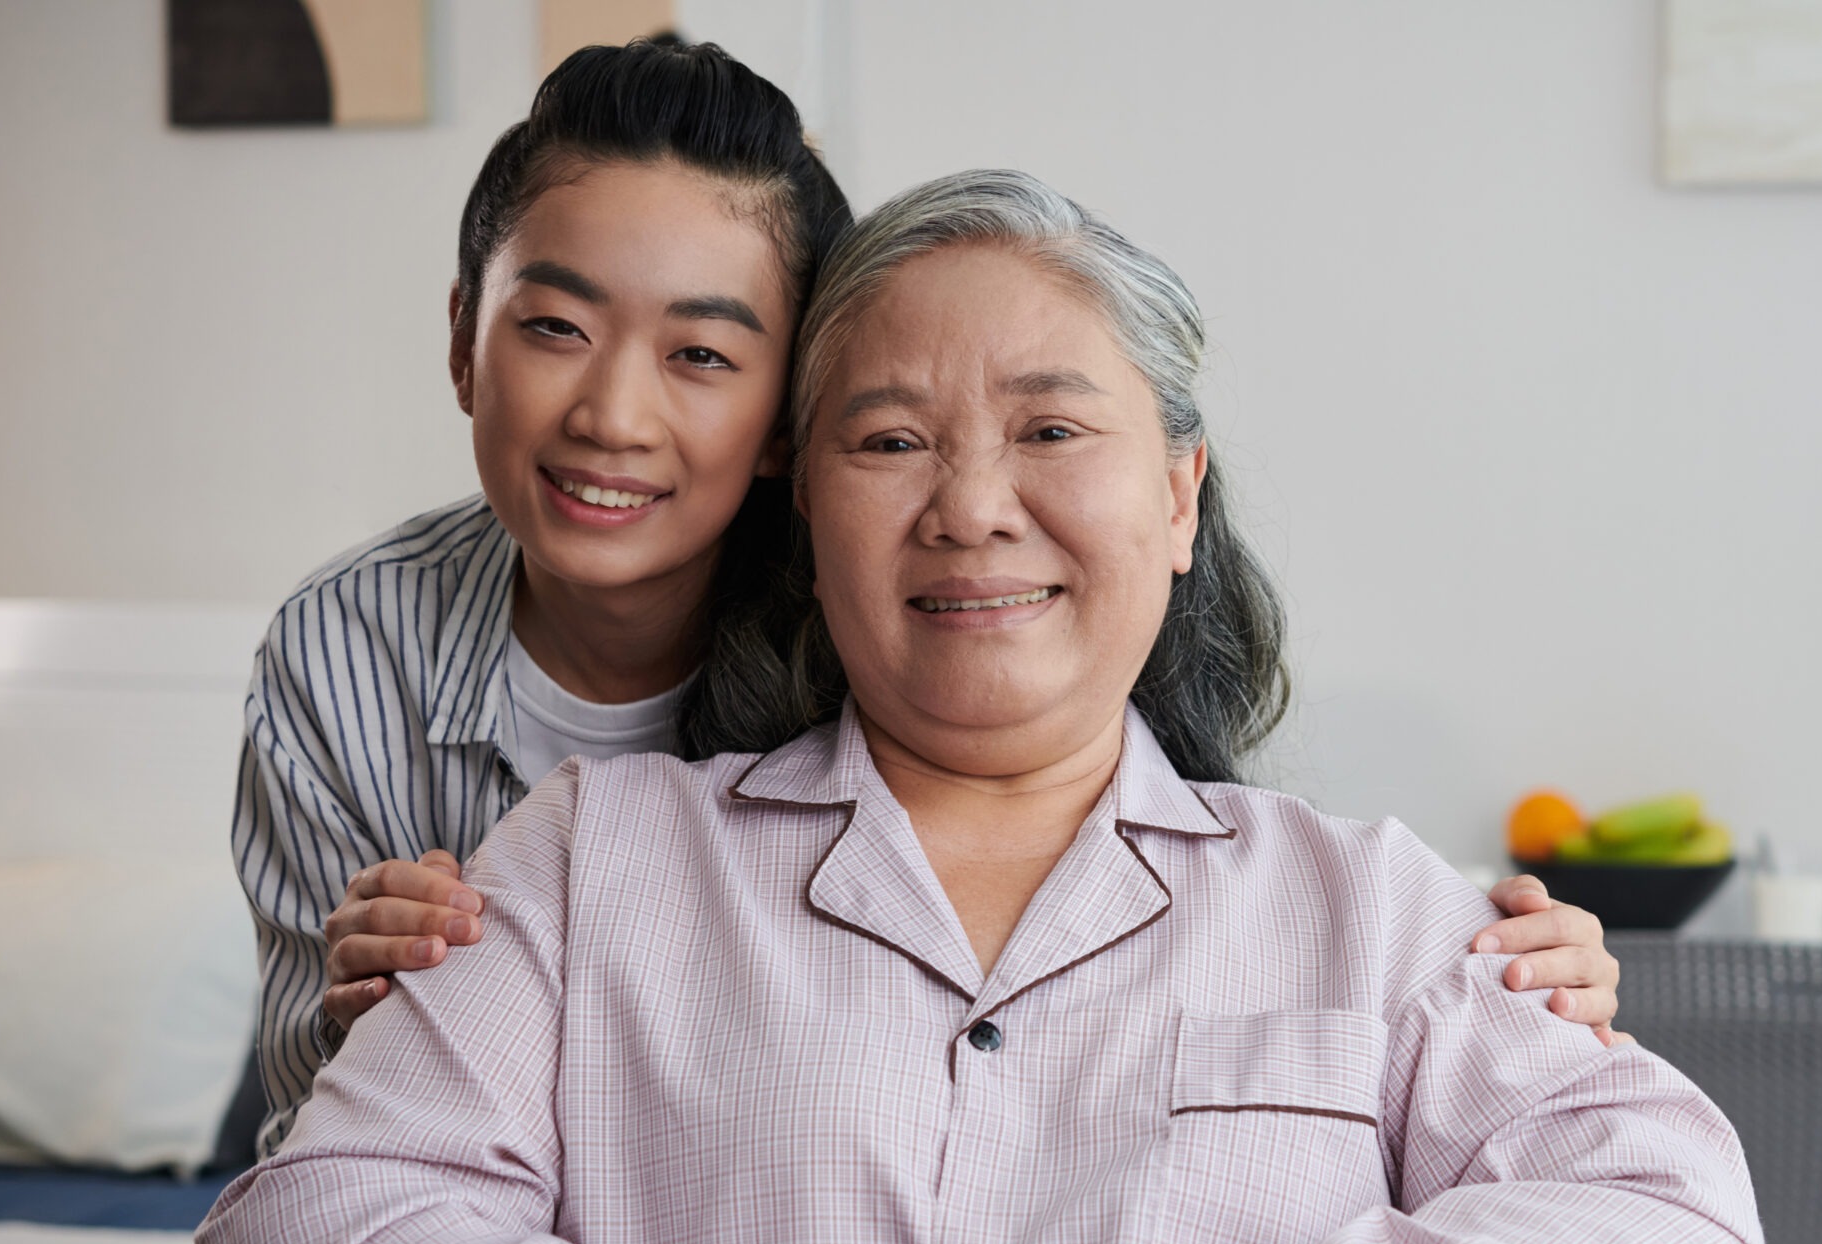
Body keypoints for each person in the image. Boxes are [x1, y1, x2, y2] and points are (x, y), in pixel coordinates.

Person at [199, 171, 1772, 1244]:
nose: (969, 505)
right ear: (804, 509)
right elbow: (318, 1236)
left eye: (1051, 429)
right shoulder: (589, 867)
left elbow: (1678, 1242)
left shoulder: (1371, 909)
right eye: (890, 440)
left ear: (1175, 497)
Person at [232, 39, 1624, 1163]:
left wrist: (1469, 981)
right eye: (554, 327)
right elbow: (325, 1168)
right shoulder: (355, 656)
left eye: (705, 353)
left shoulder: (926, 622)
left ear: (784, 423)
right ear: (463, 342)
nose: (613, 412)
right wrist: (392, 1024)